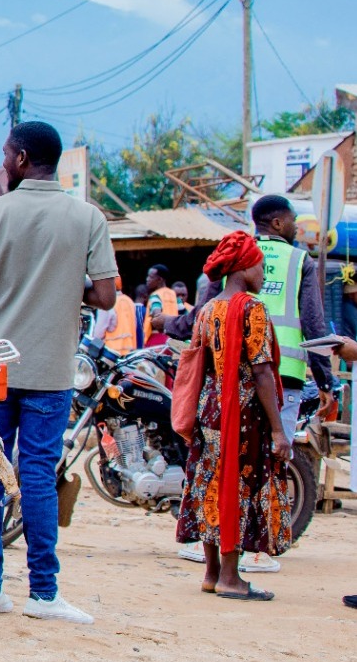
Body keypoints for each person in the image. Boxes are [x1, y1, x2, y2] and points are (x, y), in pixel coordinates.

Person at [0, 121, 117, 625]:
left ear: (22, 158)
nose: (3, 162)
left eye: (5, 154)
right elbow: (107, 296)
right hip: (51, 368)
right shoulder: (88, 217)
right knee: (38, 473)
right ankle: (44, 595)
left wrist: (4, 279)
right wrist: (66, 286)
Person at [160, 195, 355, 572]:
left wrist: (166, 326)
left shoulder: (226, 266)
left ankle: (213, 558)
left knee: (216, 469)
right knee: (264, 466)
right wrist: (326, 379)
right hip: (273, 384)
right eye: (294, 219)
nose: (264, 275)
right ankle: (256, 552)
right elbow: (313, 328)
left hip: (218, 393)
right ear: (279, 223)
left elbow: (196, 323)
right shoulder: (292, 266)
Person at [175, 230, 294, 601]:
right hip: (242, 415)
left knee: (210, 482)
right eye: (260, 265)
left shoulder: (208, 309)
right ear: (244, 267)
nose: (263, 273)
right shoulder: (252, 309)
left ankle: (212, 573)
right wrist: (278, 430)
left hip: (209, 410)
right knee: (236, 487)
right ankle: (232, 578)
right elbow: (261, 371)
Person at [90, 276, 139, 355]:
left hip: (111, 354)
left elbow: (99, 333)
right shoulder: (129, 301)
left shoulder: (107, 302)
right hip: (129, 353)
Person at [143, 265, 178, 346]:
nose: (147, 279)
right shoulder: (174, 295)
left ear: (159, 279)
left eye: (151, 277)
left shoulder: (155, 296)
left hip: (157, 340)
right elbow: (184, 314)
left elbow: (157, 316)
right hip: (174, 341)